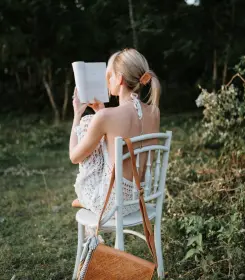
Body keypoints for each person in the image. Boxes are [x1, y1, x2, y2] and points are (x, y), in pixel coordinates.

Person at [69, 48, 160, 217]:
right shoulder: (154, 112)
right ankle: (87, 203)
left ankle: (87, 200)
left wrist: (77, 115)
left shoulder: (106, 117)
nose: (107, 80)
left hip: (112, 203)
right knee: (98, 130)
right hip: (140, 197)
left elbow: (74, 157)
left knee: (86, 124)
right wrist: (101, 113)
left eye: (109, 75)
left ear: (119, 79)